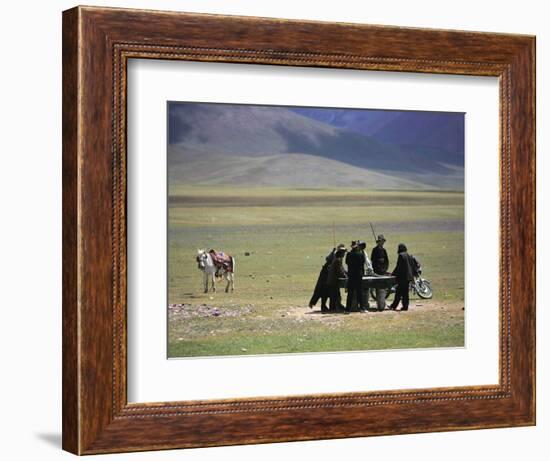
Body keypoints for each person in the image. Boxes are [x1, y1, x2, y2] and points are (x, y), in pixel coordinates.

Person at [309, 244, 346, 312]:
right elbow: (329, 260)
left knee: (328, 292)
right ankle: (324, 306)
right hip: (325, 276)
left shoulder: (338, 258)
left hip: (330, 276)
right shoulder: (335, 257)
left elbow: (341, 268)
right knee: (322, 291)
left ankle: (332, 306)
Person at [389, 243, 414, 311]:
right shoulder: (408, 255)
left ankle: (394, 306)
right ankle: (404, 306)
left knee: (399, 292)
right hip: (408, 277)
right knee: (404, 292)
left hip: (403, 277)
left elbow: (398, 267)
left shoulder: (401, 255)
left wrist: (393, 274)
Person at [345, 240, 367, 312]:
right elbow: (363, 263)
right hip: (358, 275)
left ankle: (347, 309)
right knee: (359, 292)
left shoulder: (348, 254)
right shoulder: (360, 255)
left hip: (351, 276)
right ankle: (362, 308)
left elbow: (347, 262)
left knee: (350, 293)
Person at [326, 246, 347, 312]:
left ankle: (334, 307)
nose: (344, 254)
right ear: (340, 253)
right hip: (333, 280)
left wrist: (346, 273)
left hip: (333, 280)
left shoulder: (338, 259)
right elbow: (340, 271)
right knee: (335, 295)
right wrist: (345, 276)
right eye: (343, 253)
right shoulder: (337, 260)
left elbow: (342, 269)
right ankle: (334, 308)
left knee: (334, 294)